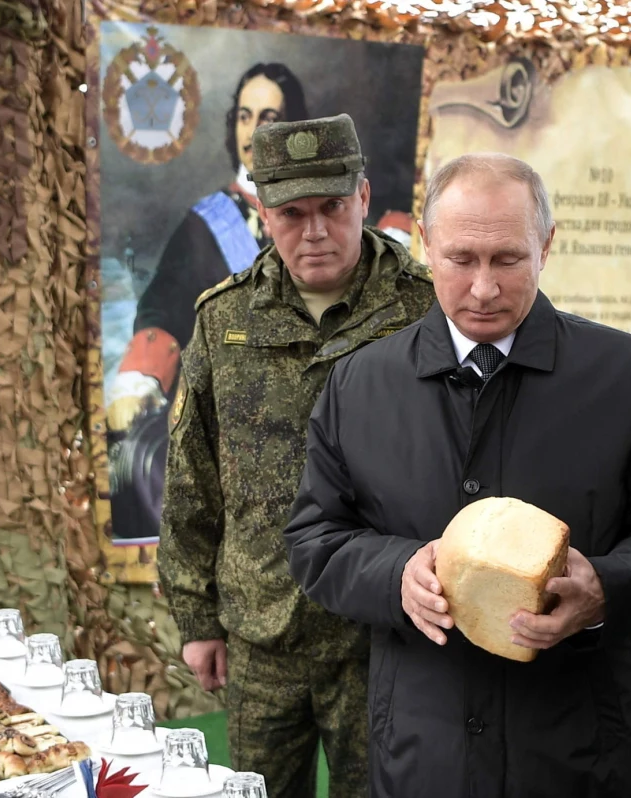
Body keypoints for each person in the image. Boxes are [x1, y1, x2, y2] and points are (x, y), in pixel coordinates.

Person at [283, 152, 631, 797]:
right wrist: (397, 574)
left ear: (546, 244)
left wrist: (605, 587)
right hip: (421, 749)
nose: (483, 288)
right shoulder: (361, 383)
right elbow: (313, 538)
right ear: (425, 245)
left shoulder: (626, 375)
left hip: (577, 753)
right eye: (461, 259)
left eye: (507, 260)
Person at [157, 114, 436, 798]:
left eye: (333, 208)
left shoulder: (424, 308)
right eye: (291, 213)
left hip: (381, 630)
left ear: (364, 197)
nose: (314, 232)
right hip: (262, 635)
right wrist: (198, 621)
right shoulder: (225, 319)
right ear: (261, 210)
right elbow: (192, 476)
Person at [106, 63, 308, 539]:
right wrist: (143, 376)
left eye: (268, 116)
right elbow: (161, 307)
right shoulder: (204, 225)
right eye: (243, 115)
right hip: (227, 438)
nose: (251, 129)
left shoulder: (321, 221)